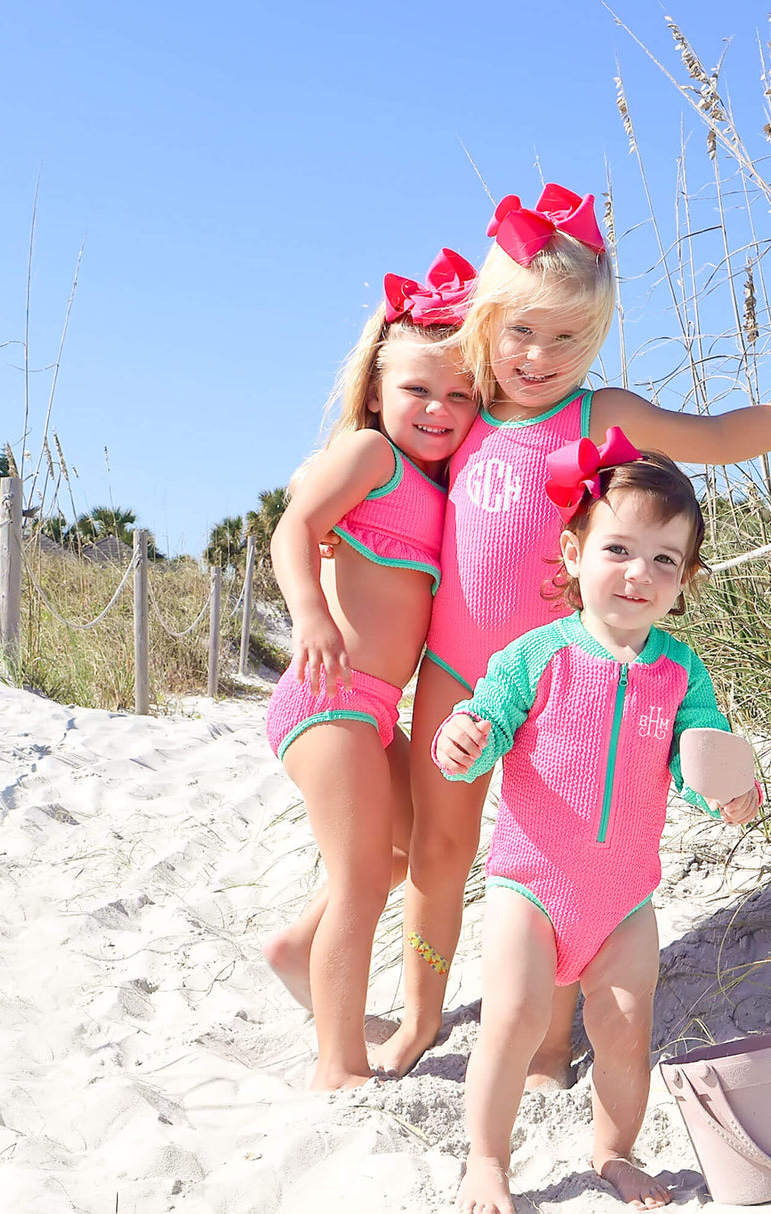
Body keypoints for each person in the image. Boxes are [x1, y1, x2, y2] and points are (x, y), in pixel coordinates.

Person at [372, 184, 771, 1082]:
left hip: (561, 684)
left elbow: (717, 435)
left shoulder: (597, 414)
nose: (540, 356)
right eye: (521, 331)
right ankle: (420, 1016)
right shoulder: (461, 409)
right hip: (453, 671)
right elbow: (383, 474)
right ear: (486, 321)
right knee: (440, 849)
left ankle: (551, 1037)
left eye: (567, 339)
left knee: (561, 859)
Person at [434, 438, 761, 1211]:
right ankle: (487, 1160)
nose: (639, 573)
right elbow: (485, 723)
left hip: (622, 898)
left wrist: (726, 795)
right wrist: (462, 739)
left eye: (664, 560)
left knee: (624, 1029)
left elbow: (696, 758)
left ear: (684, 582)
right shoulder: (537, 656)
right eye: (618, 549)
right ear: (574, 553)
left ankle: (615, 1153)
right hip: (531, 887)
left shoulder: (680, 671)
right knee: (513, 1018)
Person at [264, 249, 479, 1089]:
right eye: (418, 389)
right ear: (379, 390)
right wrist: (310, 614)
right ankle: (340, 1065)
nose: (438, 408)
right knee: (360, 878)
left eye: (460, 394)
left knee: (410, 850)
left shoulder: (445, 488)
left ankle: (297, 949)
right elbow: (294, 527)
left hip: (374, 709)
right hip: (328, 694)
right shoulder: (369, 455)